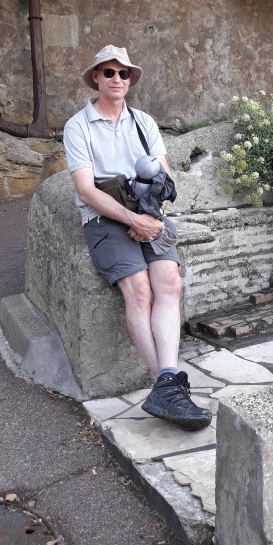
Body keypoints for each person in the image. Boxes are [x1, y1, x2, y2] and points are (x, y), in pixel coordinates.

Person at [63, 45, 211, 431]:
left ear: (130, 80)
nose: (117, 79)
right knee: (140, 290)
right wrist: (131, 218)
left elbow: (166, 177)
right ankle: (168, 385)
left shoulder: (143, 122)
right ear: (96, 77)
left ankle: (167, 384)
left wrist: (150, 211)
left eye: (123, 73)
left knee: (169, 283)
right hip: (105, 219)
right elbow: (85, 190)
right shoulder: (78, 126)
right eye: (109, 72)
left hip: (150, 215)